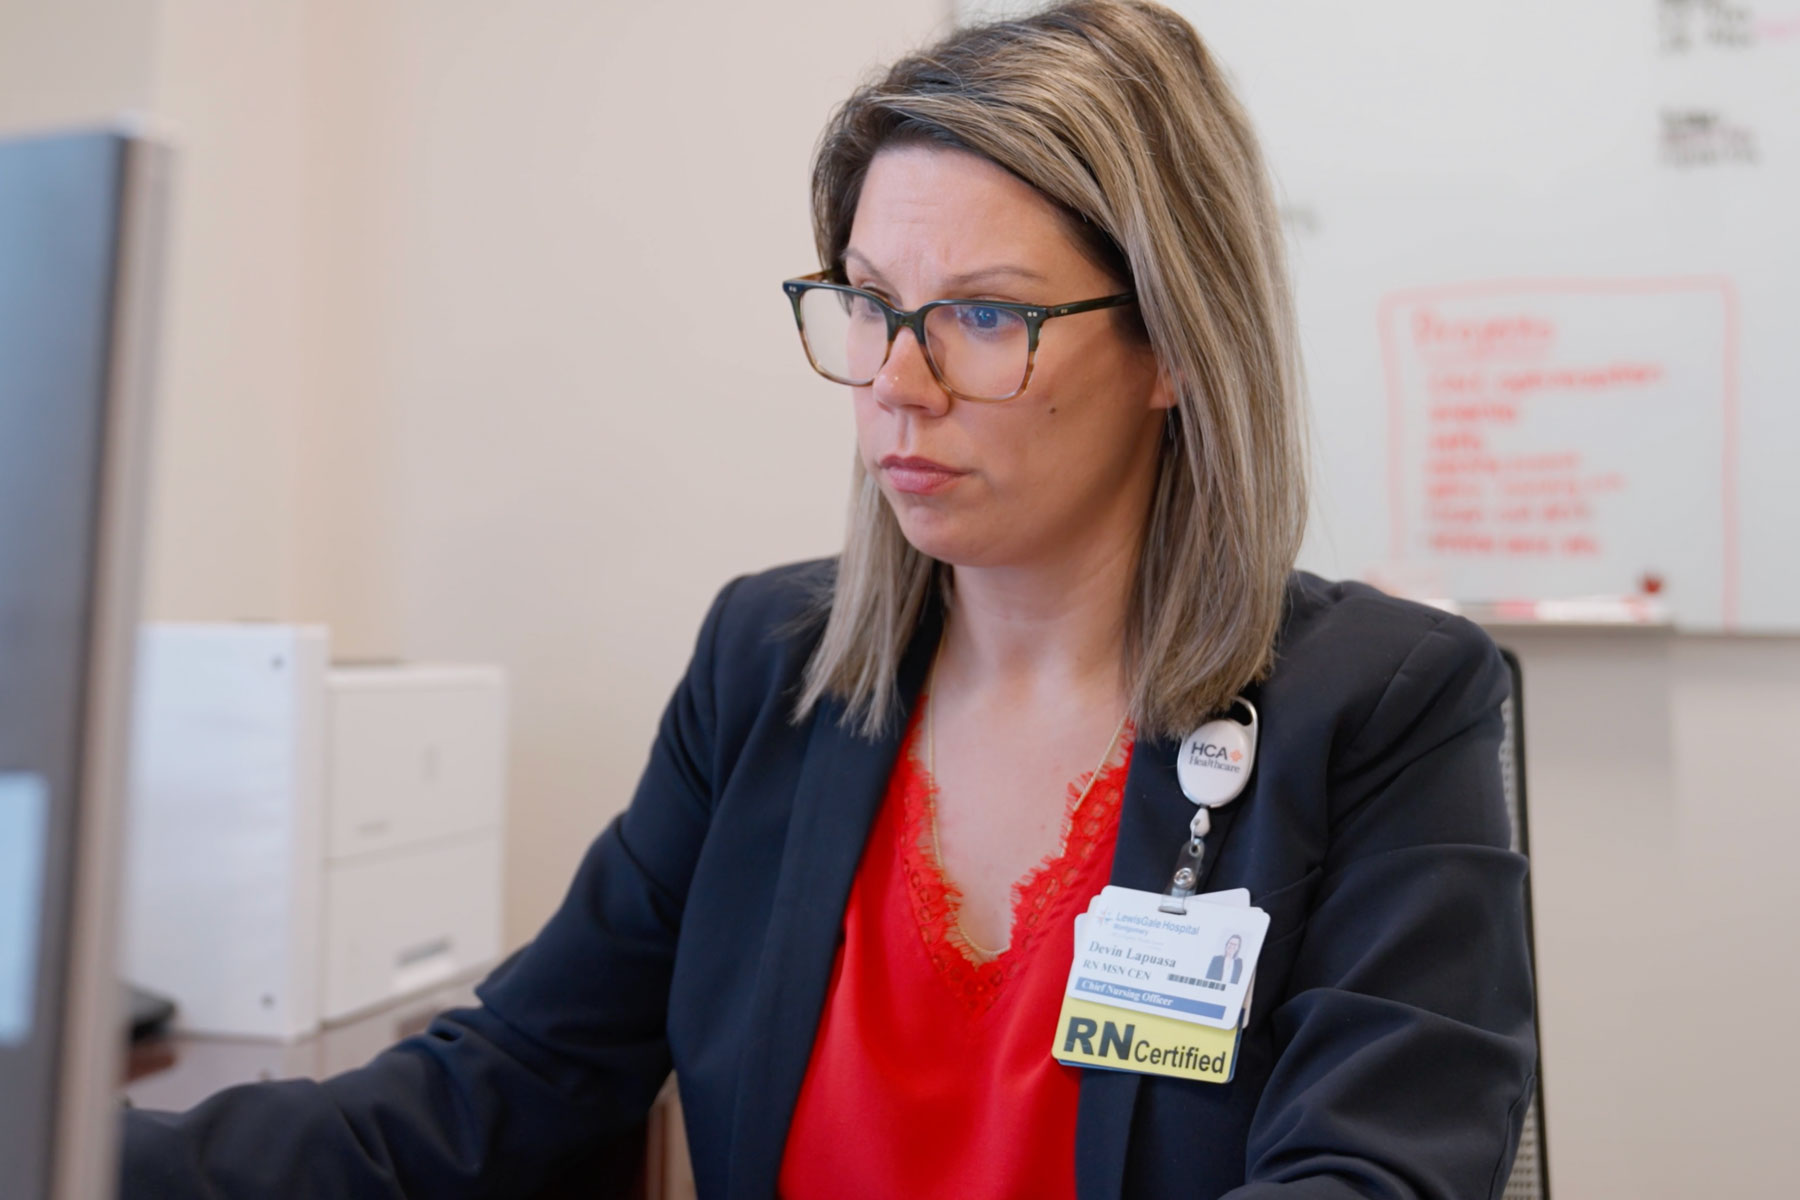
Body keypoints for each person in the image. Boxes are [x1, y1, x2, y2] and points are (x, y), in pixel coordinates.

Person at [119, 2, 1537, 1197]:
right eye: (867, 302)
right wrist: (81, 1149)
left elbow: (1368, 1173)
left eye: (986, 316)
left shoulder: (1387, 704)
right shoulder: (770, 665)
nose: (895, 386)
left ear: (1175, 344)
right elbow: (522, 1074)